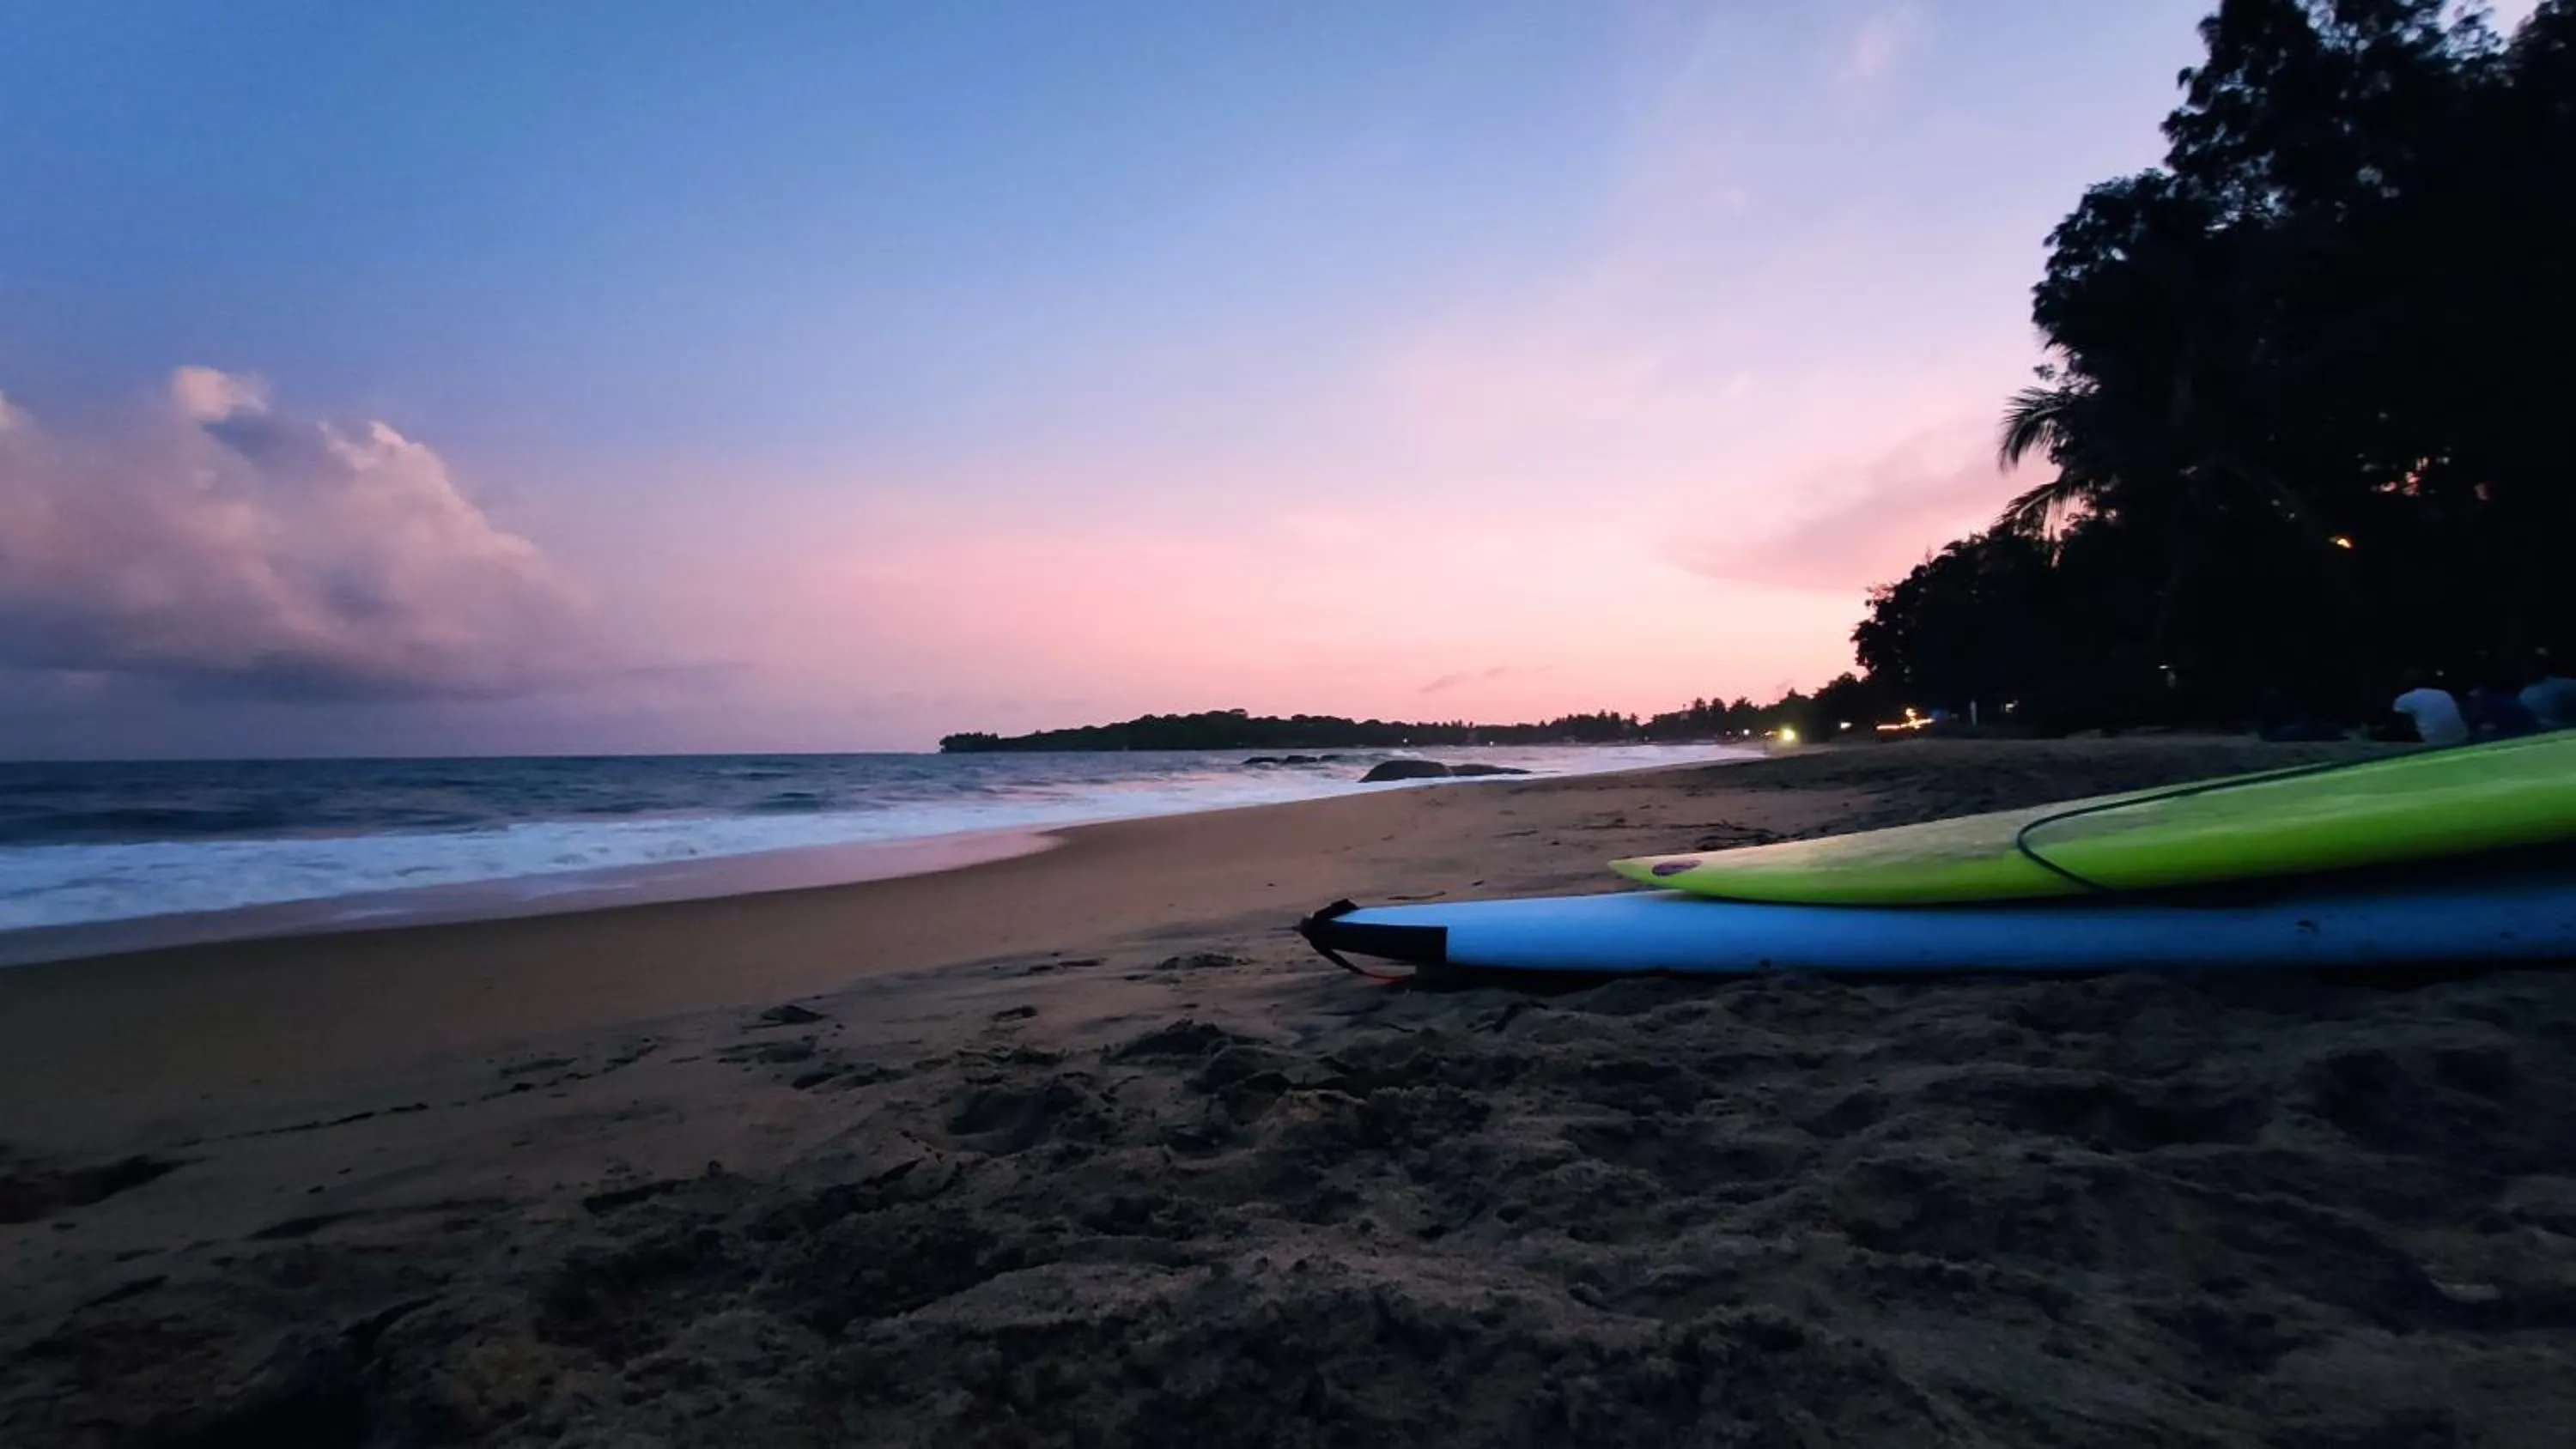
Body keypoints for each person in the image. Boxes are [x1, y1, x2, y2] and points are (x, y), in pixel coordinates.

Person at [2391, 670, 2469, 746]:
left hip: (2431, 742)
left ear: (2403, 684)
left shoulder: (2404, 699)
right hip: (2461, 738)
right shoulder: (2444, 693)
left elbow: (2403, 727)